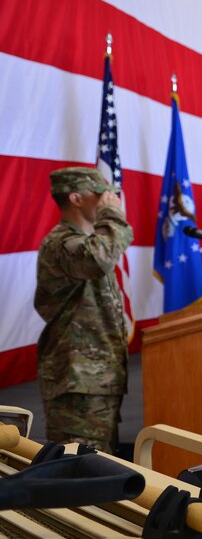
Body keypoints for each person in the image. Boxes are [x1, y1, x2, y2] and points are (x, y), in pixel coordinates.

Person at [35, 166, 134, 453]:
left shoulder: (87, 242)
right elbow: (98, 258)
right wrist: (112, 215)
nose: (110, 199)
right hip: (77, 380)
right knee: (78, 472)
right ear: (77, 198)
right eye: (102, 194)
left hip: (97, 379)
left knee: (100, 467)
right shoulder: (62, 243)